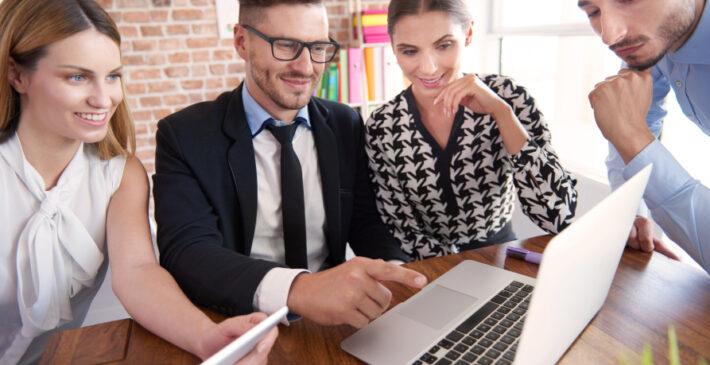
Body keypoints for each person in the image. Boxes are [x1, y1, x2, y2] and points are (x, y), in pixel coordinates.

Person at [0, 0, 277, 363]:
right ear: (17, 75)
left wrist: (206, 337)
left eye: (113, 76)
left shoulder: (120, 174)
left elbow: (137, 273)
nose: (104, 98)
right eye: (77, 77)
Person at [152, 0, 428, 330]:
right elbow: (186, 252)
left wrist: (394, 272)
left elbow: (366, 220)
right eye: (286, 45)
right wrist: (300, 289)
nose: (306, 66)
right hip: (237, 319)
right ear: (242, 41)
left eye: (318, 47)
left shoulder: (346, 122)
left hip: (334, 319)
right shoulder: (184, 136)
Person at [364, 0, 578, 260]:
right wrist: (453, 269)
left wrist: (502, 114)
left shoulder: (510, 97)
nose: (428, 67)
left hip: (502, 258)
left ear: (468, 34)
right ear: (394, 49)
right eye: (410, 51)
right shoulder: (382, 126)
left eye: (444, 45)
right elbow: (401, 229)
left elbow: (557, 215)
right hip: (429, 270)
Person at [578, 0, 709, 271]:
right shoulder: (662, 41)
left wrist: (635, 141)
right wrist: (629, 210)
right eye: (593, 12)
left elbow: (629, 131)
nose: (609, 35)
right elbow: (632, 116)